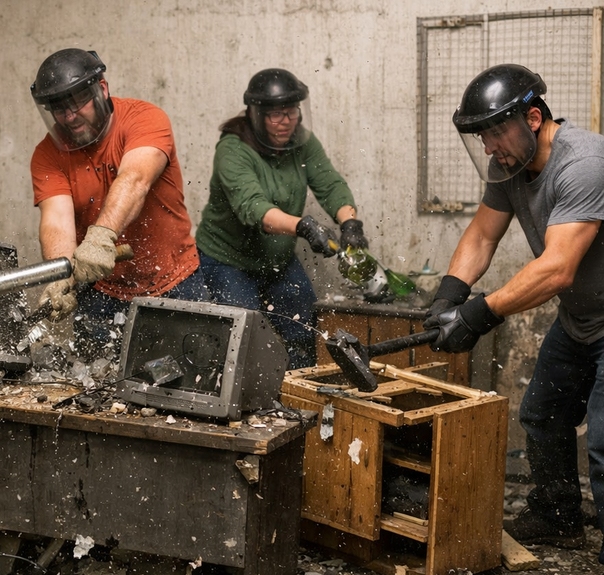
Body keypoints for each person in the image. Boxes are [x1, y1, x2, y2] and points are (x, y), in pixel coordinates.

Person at [426, 63, 604, 575]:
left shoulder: (586, 164)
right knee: (544, 411)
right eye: (480, 135)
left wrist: (479, 313)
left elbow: (556, 269)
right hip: (588, 313)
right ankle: (560, 513)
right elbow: (484, 234)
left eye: (494, 131)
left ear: (533, 118)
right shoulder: (508, 162)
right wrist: (448, 295)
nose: (488, 145)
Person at [29, 48, 208, 358]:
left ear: (102, 89)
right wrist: (62, 278)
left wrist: (100, 236)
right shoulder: (47, 155)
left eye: (78, 103)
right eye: (59, 109)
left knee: (193, 387)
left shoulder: (144, 118)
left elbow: (135, 179)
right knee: (97, 389)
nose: (70, 117)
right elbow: (56, 221)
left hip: (175, 283)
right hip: (102, 293)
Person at [195, 68, 368, 368]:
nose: (286, 122)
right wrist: (303, 226)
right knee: (244, 339)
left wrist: (349, 223)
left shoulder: (301, 141)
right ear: (256, 114)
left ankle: (299, 395)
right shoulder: (233, 150)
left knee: (305, 329)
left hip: (276, 260)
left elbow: (330, 184)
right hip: (228, 260)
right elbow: (254, 208)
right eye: (276, 115)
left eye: (292, 113)